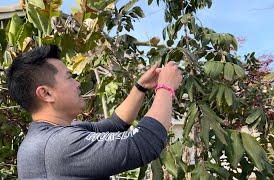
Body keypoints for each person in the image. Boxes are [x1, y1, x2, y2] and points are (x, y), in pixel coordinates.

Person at [6, 45, 182, 179]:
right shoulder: (58, 146)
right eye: (69, 77)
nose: (77, 84)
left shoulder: (50, 136)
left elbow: (115, 124)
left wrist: (141, 86)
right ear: (46, 93)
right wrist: (165, 88)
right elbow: (145, 143)